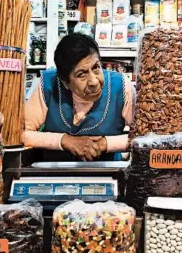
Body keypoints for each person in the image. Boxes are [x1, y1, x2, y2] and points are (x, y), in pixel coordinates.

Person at [23, 33, 135, 161]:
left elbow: (144, 138)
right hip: (55, 174)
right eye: (82, 74)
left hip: (109, 174)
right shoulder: (48, 84)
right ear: (64, 81)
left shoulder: (121, 86)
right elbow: (23, 134)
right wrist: (64, 141)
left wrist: (105, 144)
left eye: (96, 68)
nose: (94, 81)